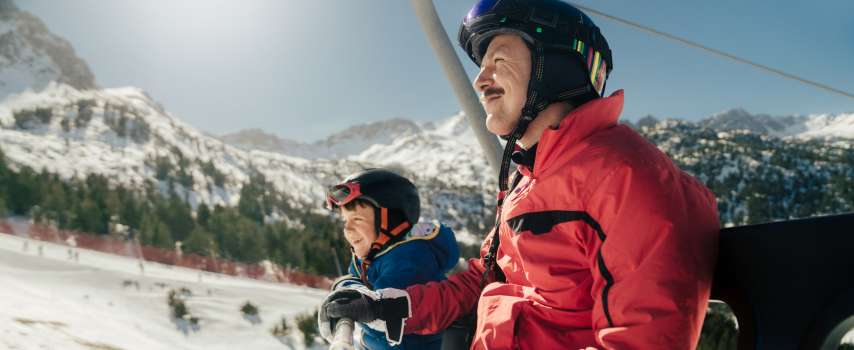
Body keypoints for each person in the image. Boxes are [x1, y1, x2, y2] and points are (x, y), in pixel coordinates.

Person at [319, 1, 720, 349]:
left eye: (499, 60)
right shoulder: (529, 181)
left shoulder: (628, 178)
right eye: (482, 66)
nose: (480, 80)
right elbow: (480, 280)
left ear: (557, 68)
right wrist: (387, 307)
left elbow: (642, 339)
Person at [318, 168, 459, 349]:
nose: (348, 229)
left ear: (390, 220)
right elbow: (354, 277)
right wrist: (347, 286)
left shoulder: (409, 258)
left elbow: (383, 318)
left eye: (358, 220)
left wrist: (355, 306)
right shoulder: (373, 255)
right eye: (345, 221)